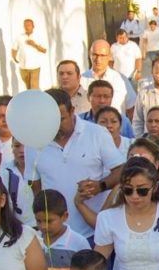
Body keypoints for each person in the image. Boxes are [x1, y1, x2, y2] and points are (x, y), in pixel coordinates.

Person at [26, 89, 125, 240]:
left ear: (72, 111)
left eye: (61, 119)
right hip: (55, 237)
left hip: (93, 232)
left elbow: (121, 170)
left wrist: (100, 186)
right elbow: (35, 186)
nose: (55, 126)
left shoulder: (97, 133)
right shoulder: (33, 142)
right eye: (49, 121)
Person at [82, 40, 136, 117]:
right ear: (89, 54)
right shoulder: (81, 80)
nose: (98, 59)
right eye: (95, 55)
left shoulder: (121, 80)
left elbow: (132, 109)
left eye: (102, 55)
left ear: (109, 56)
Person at [11, 19, 47, 89]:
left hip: (35, 67)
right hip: (23, 67)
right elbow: (14, 48)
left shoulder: (38, 36)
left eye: (29, 25)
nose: (27, 27)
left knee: (34, 88)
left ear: (33, 26)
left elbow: (44, 50)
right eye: (25, 25)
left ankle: (36, 99)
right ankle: (31, 99)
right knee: (28, 88)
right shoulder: (19, 37)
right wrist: (14, 57)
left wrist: (34, 44)